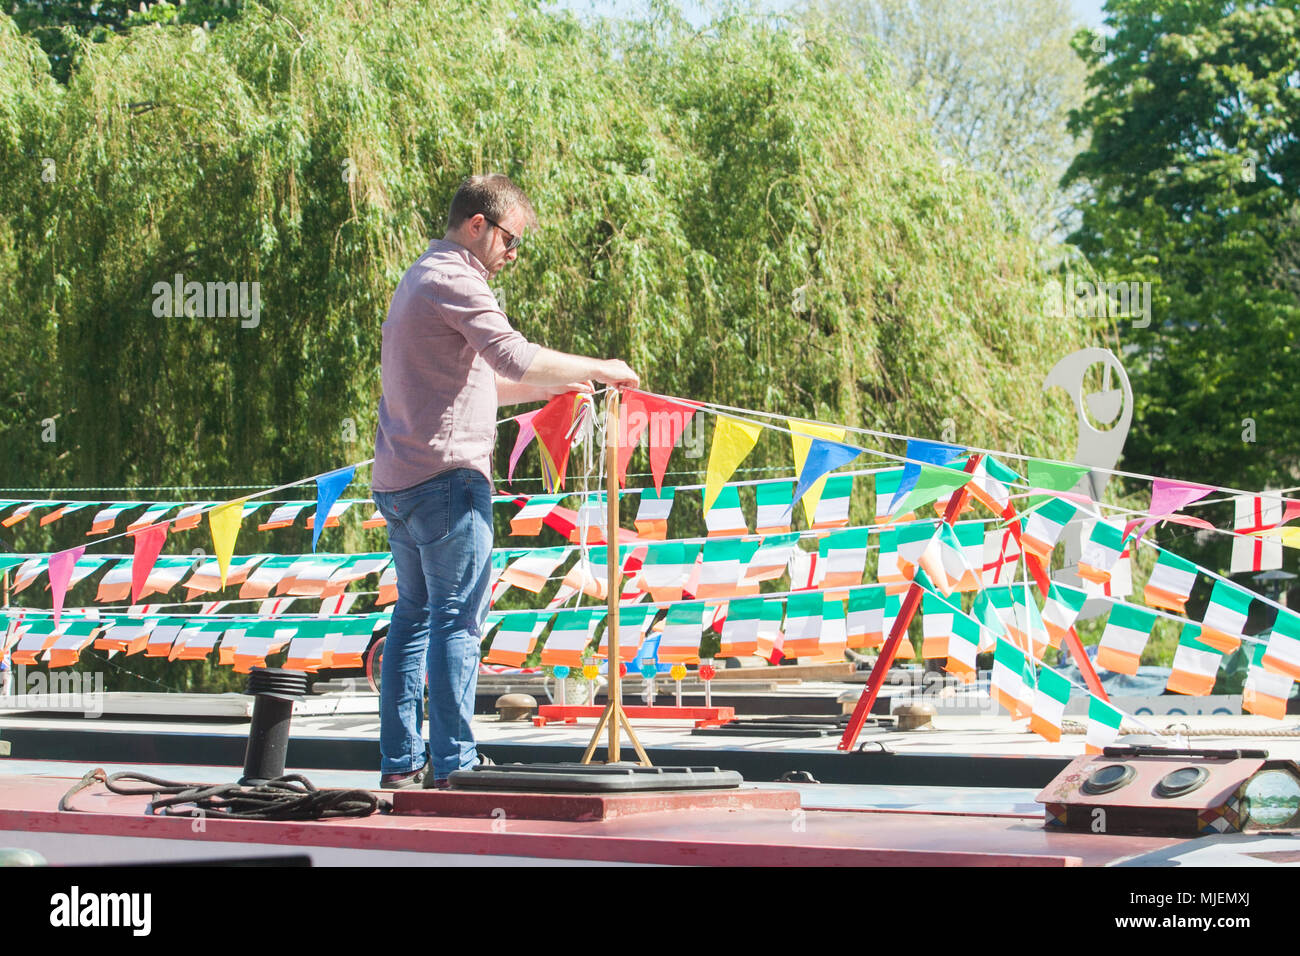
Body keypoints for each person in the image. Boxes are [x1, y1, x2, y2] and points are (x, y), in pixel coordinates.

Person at [371, 174, 639, 789]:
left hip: (403, 479)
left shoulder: (419, 277)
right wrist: (601, 366)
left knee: (414, 619)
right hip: (446, 484)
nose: (513, 254)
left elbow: (487, 383)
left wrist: (565, 386)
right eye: (510, 240)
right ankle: (455, 768)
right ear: (476, 226)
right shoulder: (457, 278)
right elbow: (513, 355)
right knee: (456, 621)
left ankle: (404, 763)